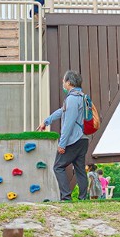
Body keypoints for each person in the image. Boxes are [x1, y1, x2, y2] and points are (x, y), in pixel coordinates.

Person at [37, 70, 90, 202]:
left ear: (69, 82)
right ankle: (83, 198)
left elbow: (68, 123)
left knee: (58, 166)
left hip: (73, 140)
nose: (63, 83)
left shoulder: (72, 99)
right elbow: (62, 111)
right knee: (80, 170)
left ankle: (66, 197)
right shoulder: (82, 97)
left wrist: (62, 143)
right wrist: (46, 121)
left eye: (63, 81)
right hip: (83, 140)